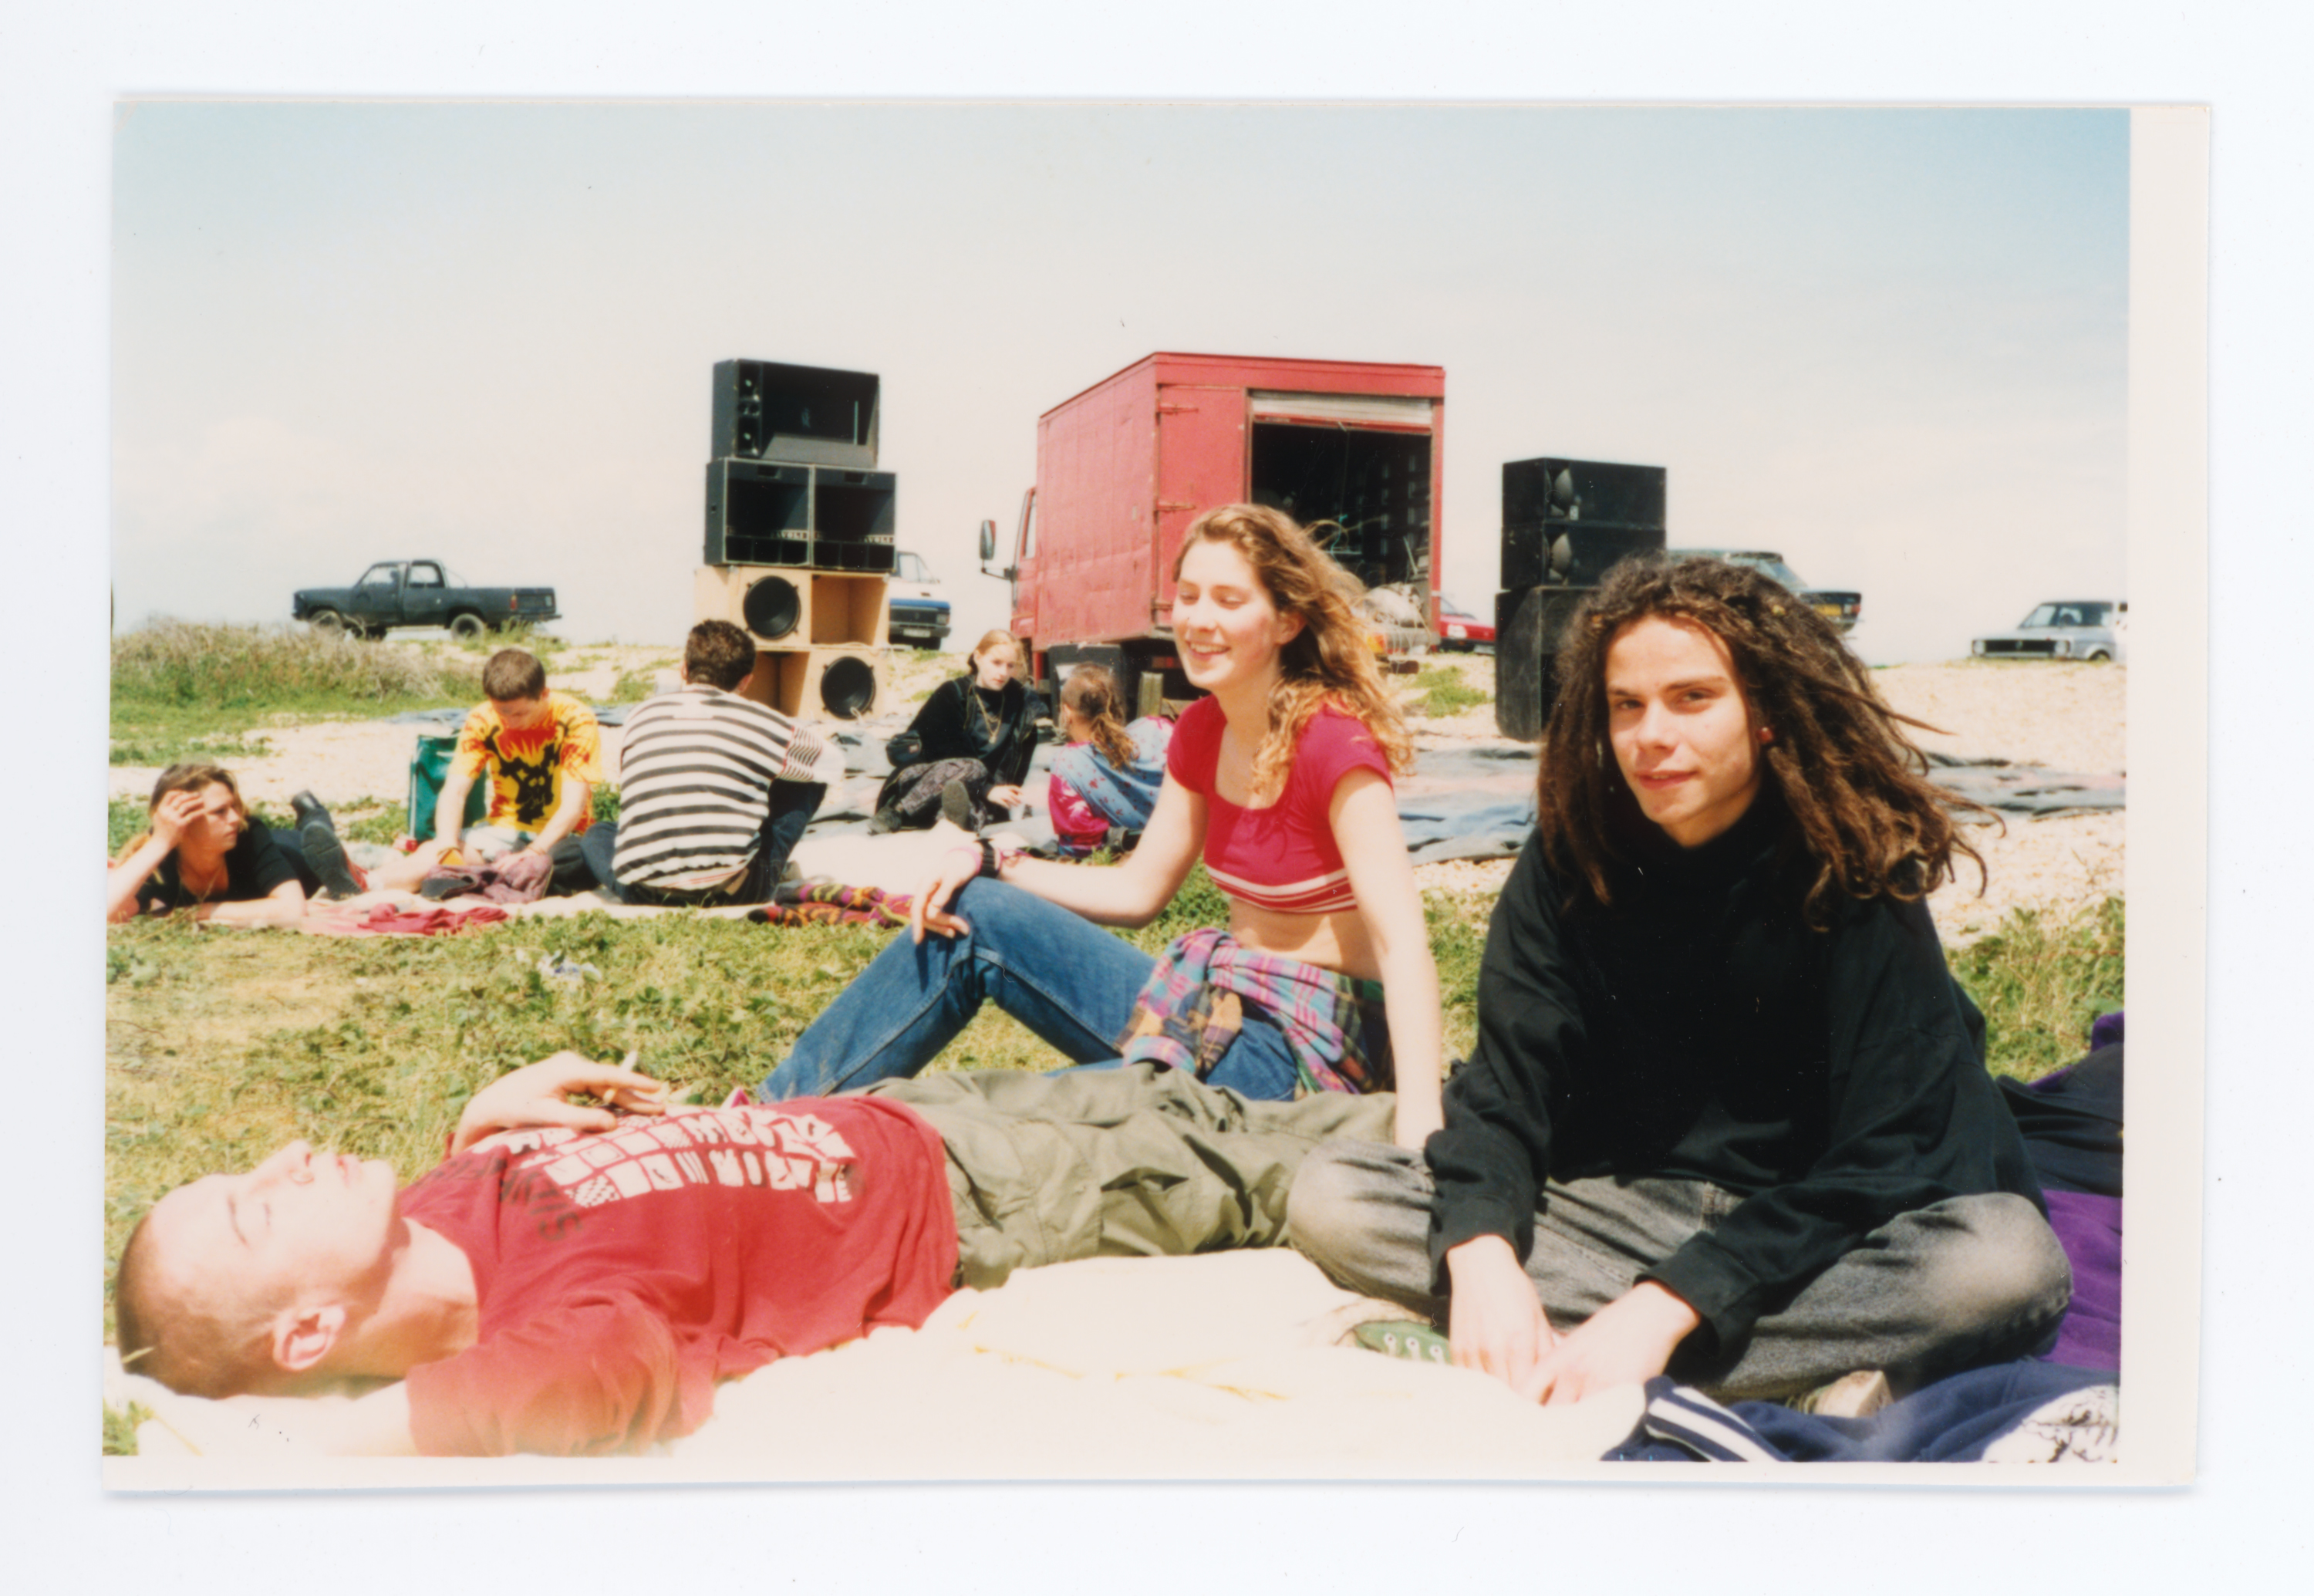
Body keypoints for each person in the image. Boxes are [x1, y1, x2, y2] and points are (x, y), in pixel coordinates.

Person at [1287, 554, 2071, 1409]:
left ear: (1763, 711)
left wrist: (1672, 1302)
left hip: (1816, 1231)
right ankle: (1775, 1373)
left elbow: (1893, 1152)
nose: (1650, 734)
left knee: (2006, 1264)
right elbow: (1507, 1091)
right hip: (1624, 1208)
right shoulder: (1572, 856)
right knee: (1335, 1194)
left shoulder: (1850, 864)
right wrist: (1481, 1256)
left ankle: (1583, 1352)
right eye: (1627, 704)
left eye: (1692, 697)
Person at [110, 1051, 1391, 1456]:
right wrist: (283, 1447)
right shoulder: (557, 1336)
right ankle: (1487, 1163)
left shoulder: (439, 1200)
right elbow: (481, 1401)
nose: (283, 1156)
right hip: (980, 1202)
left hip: (902, 1110)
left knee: (1197, 1102)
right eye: (254, 1209)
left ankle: (1464, 1123)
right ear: (306, 1335)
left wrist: (486, 1113)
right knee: (1268, 1168)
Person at [761, 504, 1445, 1150]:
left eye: (1229, 600)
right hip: (1219, 1012)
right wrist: (991, 859)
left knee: (1002, 1115)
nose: (1199, 619)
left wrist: (1420, 1131)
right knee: (977, 910)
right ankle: (769, 1116)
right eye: (1188, 595)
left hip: (1301, 1057)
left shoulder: (1333, 742)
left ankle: (819, 1139)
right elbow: (1138, 889)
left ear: (1287, 620)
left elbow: (1404, 944)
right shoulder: (1202, 730)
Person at [577, 620, 848, 905]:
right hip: (736, 893)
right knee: (809, 775)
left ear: (684, 669)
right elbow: (832, 764)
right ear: (746, 681)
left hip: (645, 893)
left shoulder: (639, 715)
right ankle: (766, 869)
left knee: (598, 834)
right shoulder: (762, 722)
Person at [423, 647, 605, 896]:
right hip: (500, 831)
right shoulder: (482, 719)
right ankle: (371, 885)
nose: (512, 722)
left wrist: (532, 852)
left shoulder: (576, 718)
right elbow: (454, 792)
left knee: (539, 866)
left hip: (562, 838)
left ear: (544, 694)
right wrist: (447, 848)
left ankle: (488, 878)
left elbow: (573, 807)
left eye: (521, 713)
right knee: (430, 854)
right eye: (503, 712)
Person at [870, 629, 1045, 833]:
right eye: (996, 663)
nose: (1003, 672)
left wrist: (1007, 796)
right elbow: (944, 753)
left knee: (972, 812)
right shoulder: (953, 694)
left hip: (971, 794)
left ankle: (948, 826)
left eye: (1010, 665)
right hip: (919, 785)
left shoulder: (1023, 706)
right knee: (975, 768)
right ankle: (895, 812)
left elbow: (1017, 767)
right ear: (978, 658)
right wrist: (988, 789)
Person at [107, 764, 315, 927]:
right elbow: (105, 913)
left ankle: (314, 816)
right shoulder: (161, 851)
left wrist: (198, 911)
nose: (235, 818)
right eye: (220, 811)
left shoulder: (248, 833)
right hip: (274, 841)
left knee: (312, 838)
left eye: (233, 806)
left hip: (296, 850)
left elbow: (293, 909)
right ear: (184, 822)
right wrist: (159, 843)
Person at [1044, 663, 1171, 855]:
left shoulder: (1066, 764)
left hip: (1132, 855)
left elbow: (1080, 846)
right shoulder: (1158, 728)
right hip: (1183, 842)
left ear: (1067, 712)